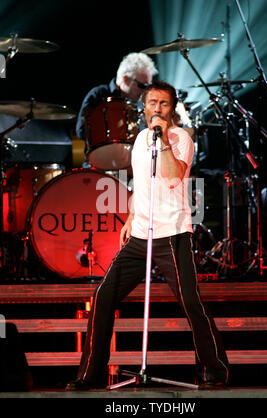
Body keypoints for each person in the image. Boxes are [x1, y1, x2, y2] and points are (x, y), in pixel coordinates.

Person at [66, 80, 229, 391]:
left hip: (172, 234)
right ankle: (90, 375)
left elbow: (170, 176)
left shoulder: (181, 138)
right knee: (103, 296)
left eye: (163, 103)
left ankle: (215, 370)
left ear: (172, 108)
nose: (157, 108)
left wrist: (163, 139)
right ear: (143, 107)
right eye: (152, 102)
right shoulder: (140, 139)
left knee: (190, 302)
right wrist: (129, 217)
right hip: (141, 234)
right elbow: (140, 184)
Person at [75, 52, 158, 141]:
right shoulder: (99, 94)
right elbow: (81, 131)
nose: (144, 91)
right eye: (142, 86)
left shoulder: (141, 102)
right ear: (126, 79)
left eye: (148, 87)